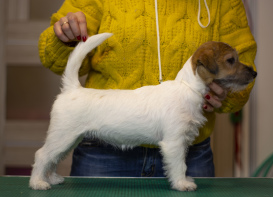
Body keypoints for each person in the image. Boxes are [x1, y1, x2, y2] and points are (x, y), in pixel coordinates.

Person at [38, 0, 256, 177]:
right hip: (102, 152)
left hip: (191, 153)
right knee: (57, 147)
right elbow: (51, 57)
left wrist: (225, 95)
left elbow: (244, 71)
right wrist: (65, 38)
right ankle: (40, 172)